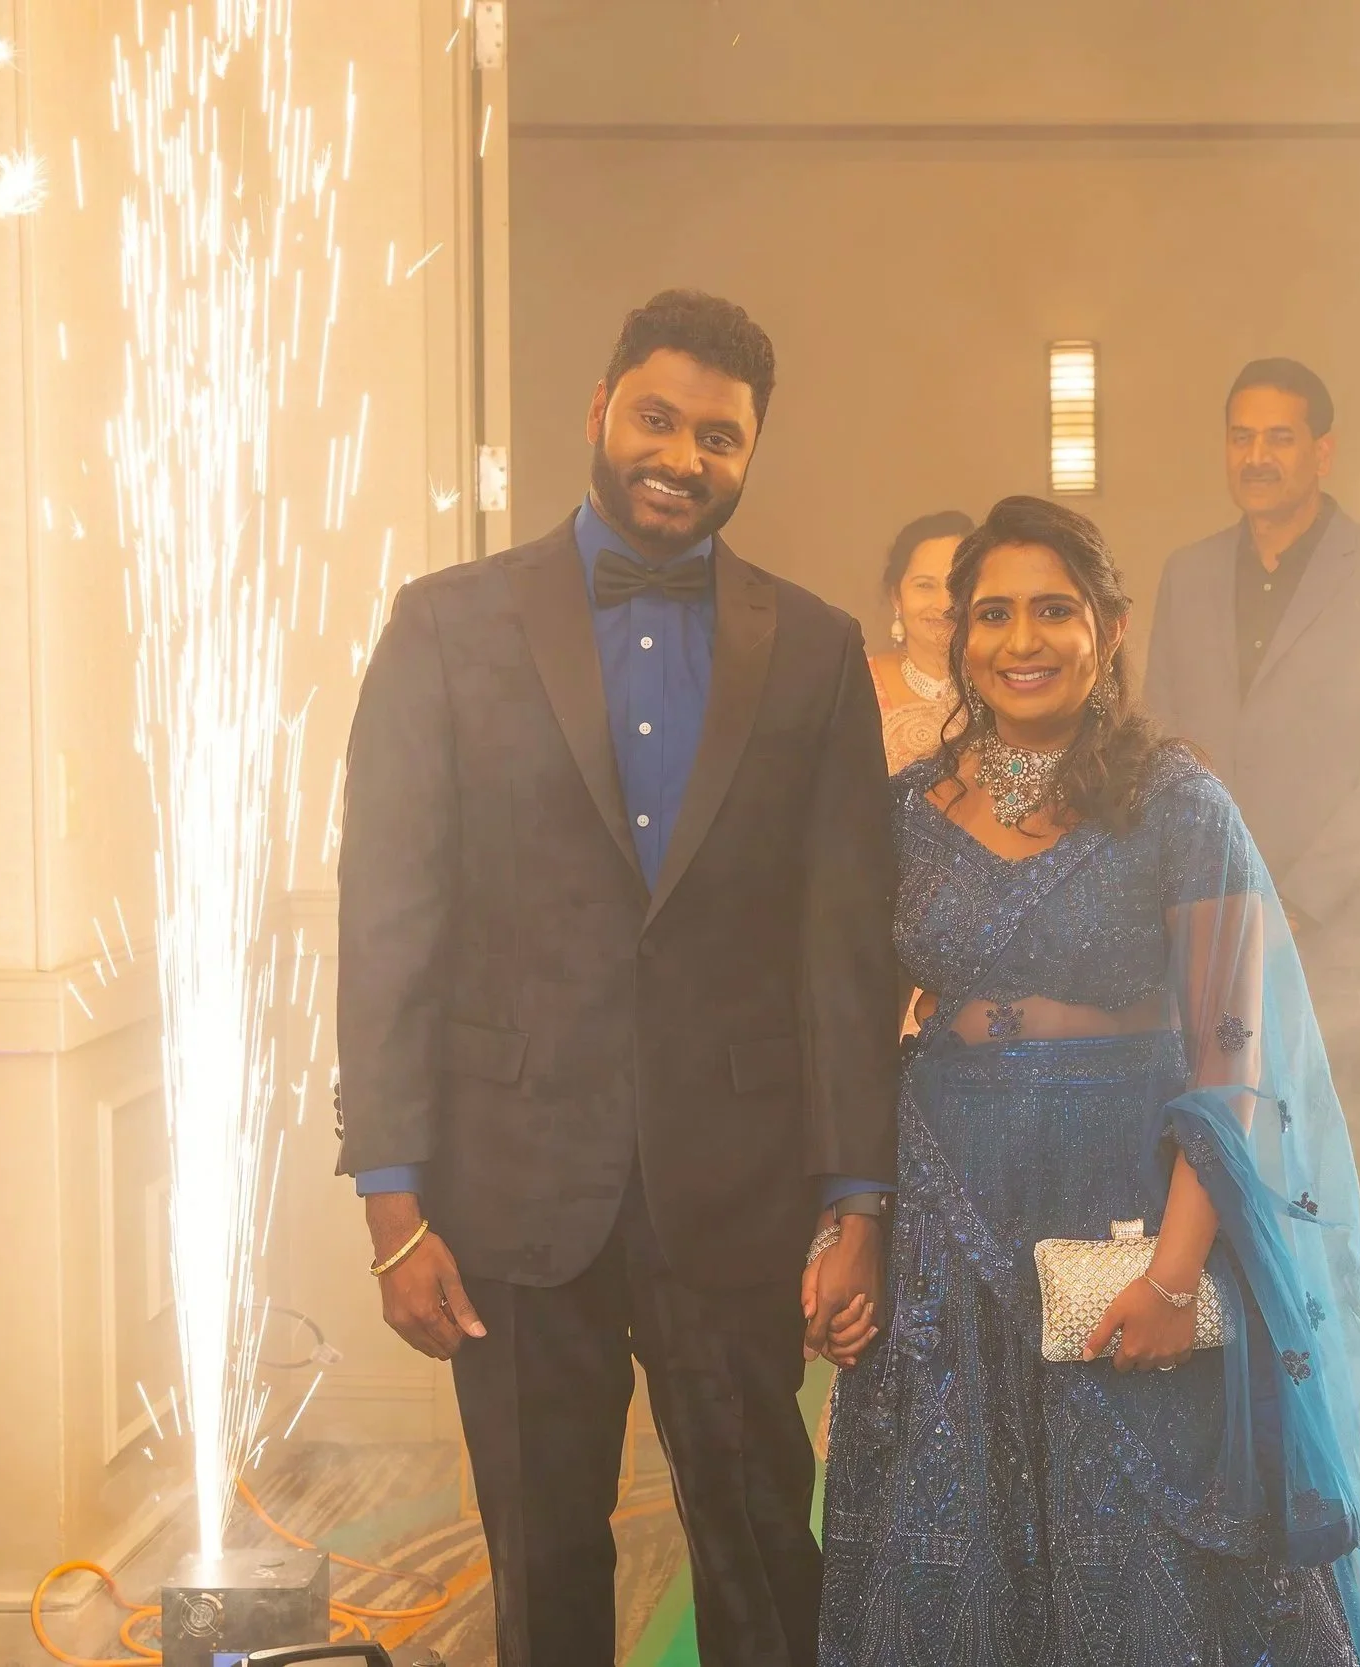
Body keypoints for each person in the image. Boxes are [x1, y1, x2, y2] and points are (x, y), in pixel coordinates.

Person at [333, 289, 903, 1667]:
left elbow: (845, 938)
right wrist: (393, 1200)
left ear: (749, 453)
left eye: (720, 435)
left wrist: (856, 1194)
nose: (682, 453)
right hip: (509, 1182)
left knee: (766, 1543)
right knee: (543, 1556)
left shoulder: (817, 649)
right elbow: (388, 914)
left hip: (739, 1180)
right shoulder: (443, 626)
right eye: (659, 417)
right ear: (599, 412)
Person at [819, 495, 1360, 1667]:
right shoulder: (897, 815)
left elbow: (1231, 1050)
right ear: (956, 638)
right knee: (944, 1530)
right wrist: (853, 1221)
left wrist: (1178, 1270)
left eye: (1054, 609)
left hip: (1124, 1206)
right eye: (991, 613)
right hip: (945, 1209)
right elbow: (845, 1033)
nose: (1020, 639)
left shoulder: (1175, 802)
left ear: (1109, 628)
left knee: (1138, 1546)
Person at [1142, 359, 1360, 1100]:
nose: (1256, 457)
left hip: (1336, 931)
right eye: (1240, 438)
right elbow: (1161, 739)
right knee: (1215, 1141)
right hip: (1210, 919)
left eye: (1279, 438)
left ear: (1322, 452)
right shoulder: (1189, 573)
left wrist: (1297, 902)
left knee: (1318, 1153)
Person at [868, 509, 973, 771]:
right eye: (925, 585)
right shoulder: (857, 681)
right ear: (896, 598)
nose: (944, 604)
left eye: (957, 586)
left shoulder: (1007, 684)